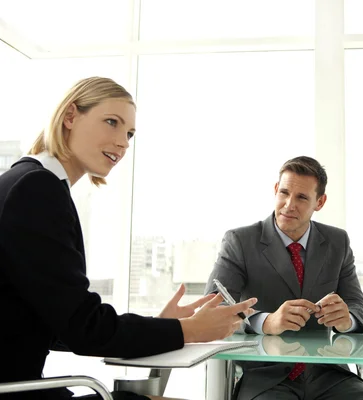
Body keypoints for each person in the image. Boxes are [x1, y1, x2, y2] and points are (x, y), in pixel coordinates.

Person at [0, 77, 257, 400]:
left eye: (130, 134)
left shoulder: (28, 182)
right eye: (112, 122)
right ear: (70, 117)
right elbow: (85, 330)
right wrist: (188, 330)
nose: (123, 143)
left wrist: (160, 325)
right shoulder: (35, 189)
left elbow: (58, 322)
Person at [205, 156, 363, 399]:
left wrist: (347, 320)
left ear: (319, 202)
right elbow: (214, 307)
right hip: (266, 377)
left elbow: (358, 306)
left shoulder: (337, 242)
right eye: (285, 193)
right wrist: (266, 322)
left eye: (301, 197)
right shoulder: (240, 241)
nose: (289, 205)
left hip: (329, 374)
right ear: (276, 190)